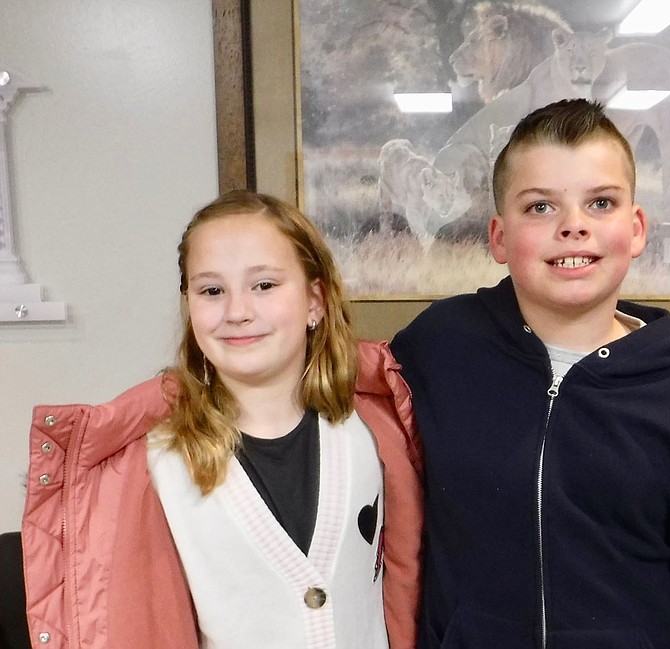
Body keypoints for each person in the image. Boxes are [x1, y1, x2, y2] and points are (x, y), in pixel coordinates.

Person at [391, 99, 670, 649]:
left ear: (637, 227)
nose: (573, 227)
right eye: (540, 208)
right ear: (499, 237)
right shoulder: (439, 343)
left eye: (600, 203)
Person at [22, 190, 423, 649]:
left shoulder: (377, 429)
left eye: (265, 285)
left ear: (316, 300)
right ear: (190, 306)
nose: (237, 312)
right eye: (212, 291)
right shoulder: (151, 464)